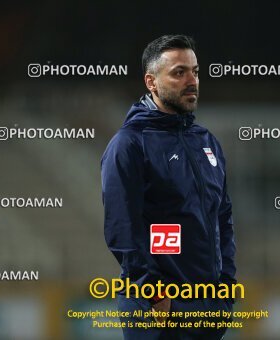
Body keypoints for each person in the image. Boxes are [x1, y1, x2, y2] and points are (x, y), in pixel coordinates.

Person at [101, 34, 236, 339]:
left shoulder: (207, 142)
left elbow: (223, 218)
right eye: (179, 72)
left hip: (208, 308)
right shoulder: (130, 144)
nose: (192, 81)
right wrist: (157, 295)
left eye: (196, 71)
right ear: (151, 82)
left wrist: (226, 286)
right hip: (158, 309)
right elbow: (122, 231)